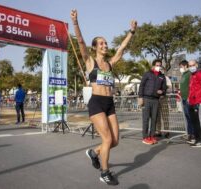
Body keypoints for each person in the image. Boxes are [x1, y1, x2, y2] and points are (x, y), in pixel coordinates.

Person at [71, 9, 137, 185]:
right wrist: (76, 22)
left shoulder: (110, 63)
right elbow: (80, 42)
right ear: (95, 47)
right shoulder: (90, 62)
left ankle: (94, 153)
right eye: (101, 43)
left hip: (109, 104)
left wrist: (131, 32)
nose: (105, 45)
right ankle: (104, 172)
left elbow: (122, 49)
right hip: (97, 103)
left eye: (106, 43)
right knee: (107, 139)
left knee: (115, 141)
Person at [138, 59, 167, 145]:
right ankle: (145, 137)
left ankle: (152, 136)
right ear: (153, 66)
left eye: (159, 65)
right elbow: (141, 85)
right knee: (146, 119)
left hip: (156, 100)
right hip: (146, 99)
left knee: (154, 119)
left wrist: (162, 91)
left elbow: (164, 88)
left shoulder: (162, 76)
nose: (158, 67)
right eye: (157, 65)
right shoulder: (147, 74)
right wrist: (140, 97)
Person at [179, 60, 194, 143]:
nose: (180, 69)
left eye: (181, 67)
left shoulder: (189, 74)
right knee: (187, 117)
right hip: (183, 98)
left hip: (188, 98)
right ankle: (189, 133)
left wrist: (189, 96)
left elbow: (192, 86)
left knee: (191, 117)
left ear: (185, 66)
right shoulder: (184, 74)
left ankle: (193, 134)